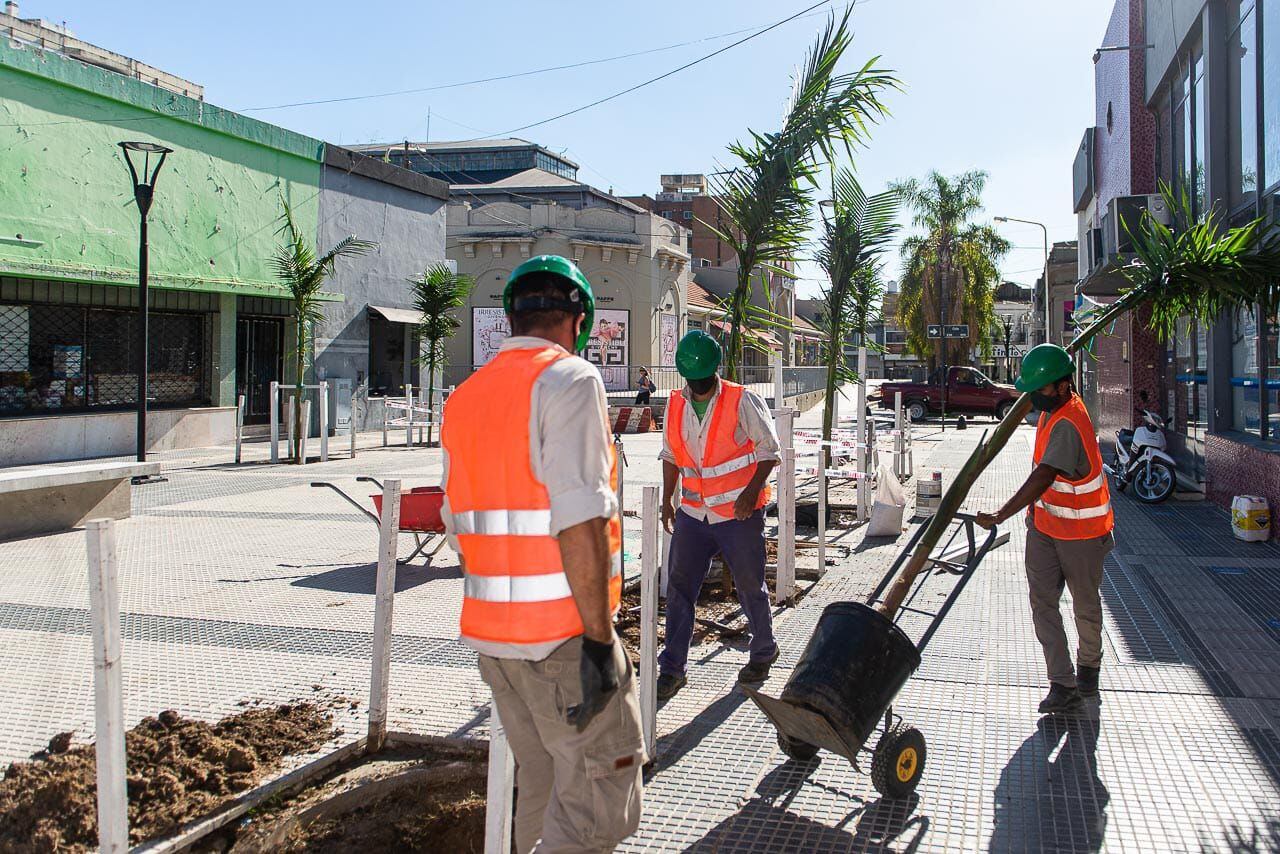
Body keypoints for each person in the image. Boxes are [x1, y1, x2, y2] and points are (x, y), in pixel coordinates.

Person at [441, 255, 645, 853]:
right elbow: (579, 521)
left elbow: (457, 526)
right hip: (564, 642)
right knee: (598, 810)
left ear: (510, 318)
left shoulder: (466, 397)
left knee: (545, 784)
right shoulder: (571, 380)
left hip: (495, 642)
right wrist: (600, 642)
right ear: (578, 320)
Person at [976, 343, 1114, 714]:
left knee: (1085, 606)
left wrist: (1001, 514)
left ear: (1061, 386)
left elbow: (1044, 475)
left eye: (1038, 390)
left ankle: (1088, 669)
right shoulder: (1053, 412)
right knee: (1043, 604)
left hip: (1083, 535)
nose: (1033, 397)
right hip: (1046, 529)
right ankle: (1062, 682)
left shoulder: (1068, 420)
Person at [656, 330, 781, 701]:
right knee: (678, 588)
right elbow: (670, 455)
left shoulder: (743, 400)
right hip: (694, 514)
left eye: (702, 379)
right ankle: (673, 667)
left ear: (715, 371)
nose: (696, 386)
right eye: (691, 380)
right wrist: (667, 499)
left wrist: (750, 493)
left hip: (737, 515)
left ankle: (763, 649)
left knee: (749, 585)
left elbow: (769, 451)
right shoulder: (676, 404)